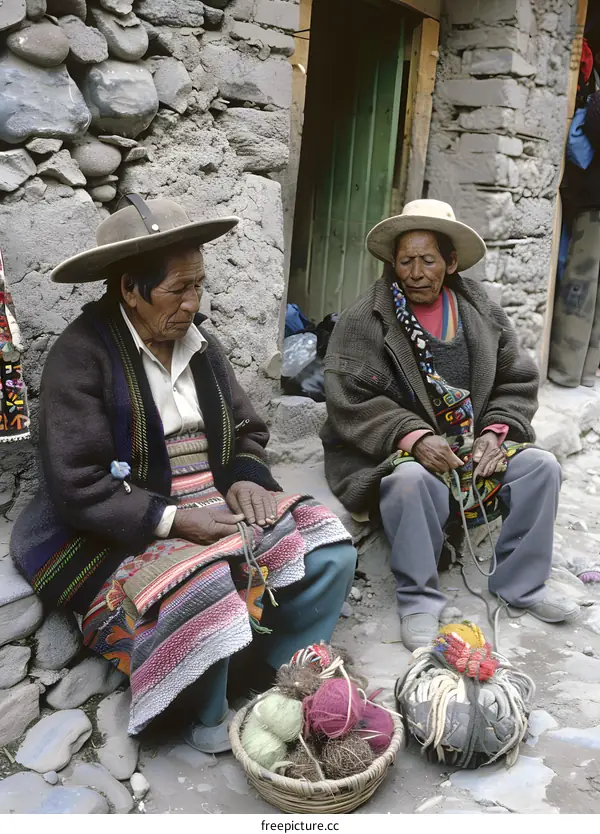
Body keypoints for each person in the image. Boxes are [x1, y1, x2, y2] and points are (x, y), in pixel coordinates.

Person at [11, 195, 356, 751]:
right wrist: (174, 521)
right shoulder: (80, 356)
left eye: (199, 286)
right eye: (178, 289)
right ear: (130, 288)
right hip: (117, 516)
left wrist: (245, 475)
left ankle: (272, 668)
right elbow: (78, 483)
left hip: (213, 492)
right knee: (204, 581)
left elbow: (247, 428)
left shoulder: (199, 343)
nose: (193, 303)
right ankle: (208, 715)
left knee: (327, 547)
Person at [321, 199, 579, 652]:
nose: (416, 272)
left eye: (427, 260)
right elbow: (349, 398)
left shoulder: (480, 309)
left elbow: (516, 380)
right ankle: (419, 599)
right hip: (398, 450)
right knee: (408, 481)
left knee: (542, 468)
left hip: (469, 447)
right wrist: (415, 436)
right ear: (392, 263)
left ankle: (521, 586)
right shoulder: (367, 318)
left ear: (451, 262)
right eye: (405, 261)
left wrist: (494, 433)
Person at [548, 26, 600, 388]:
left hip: (593, 207)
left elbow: (585, 140)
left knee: (580, 288)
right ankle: (586, 371)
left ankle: (565, 371)